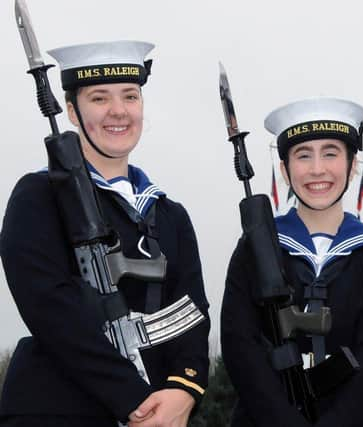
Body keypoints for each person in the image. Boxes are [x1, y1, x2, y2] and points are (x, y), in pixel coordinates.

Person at [0, 40, 210, 427]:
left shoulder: (169, 214)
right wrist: (133, 400)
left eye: (130, 96)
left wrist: (184, 389)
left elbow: (191, 311)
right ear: (71, 111)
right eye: (99, 98)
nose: (118, 111)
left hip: (162, 412)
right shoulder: (38, 195)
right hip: (57, 409)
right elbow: (49, 309)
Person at [221, 97, 363, 426]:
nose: (317, 169)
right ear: (284, 168)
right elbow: (241, 349)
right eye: (303, 155)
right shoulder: (254, 250)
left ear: (353, 165)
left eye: (331, 153)